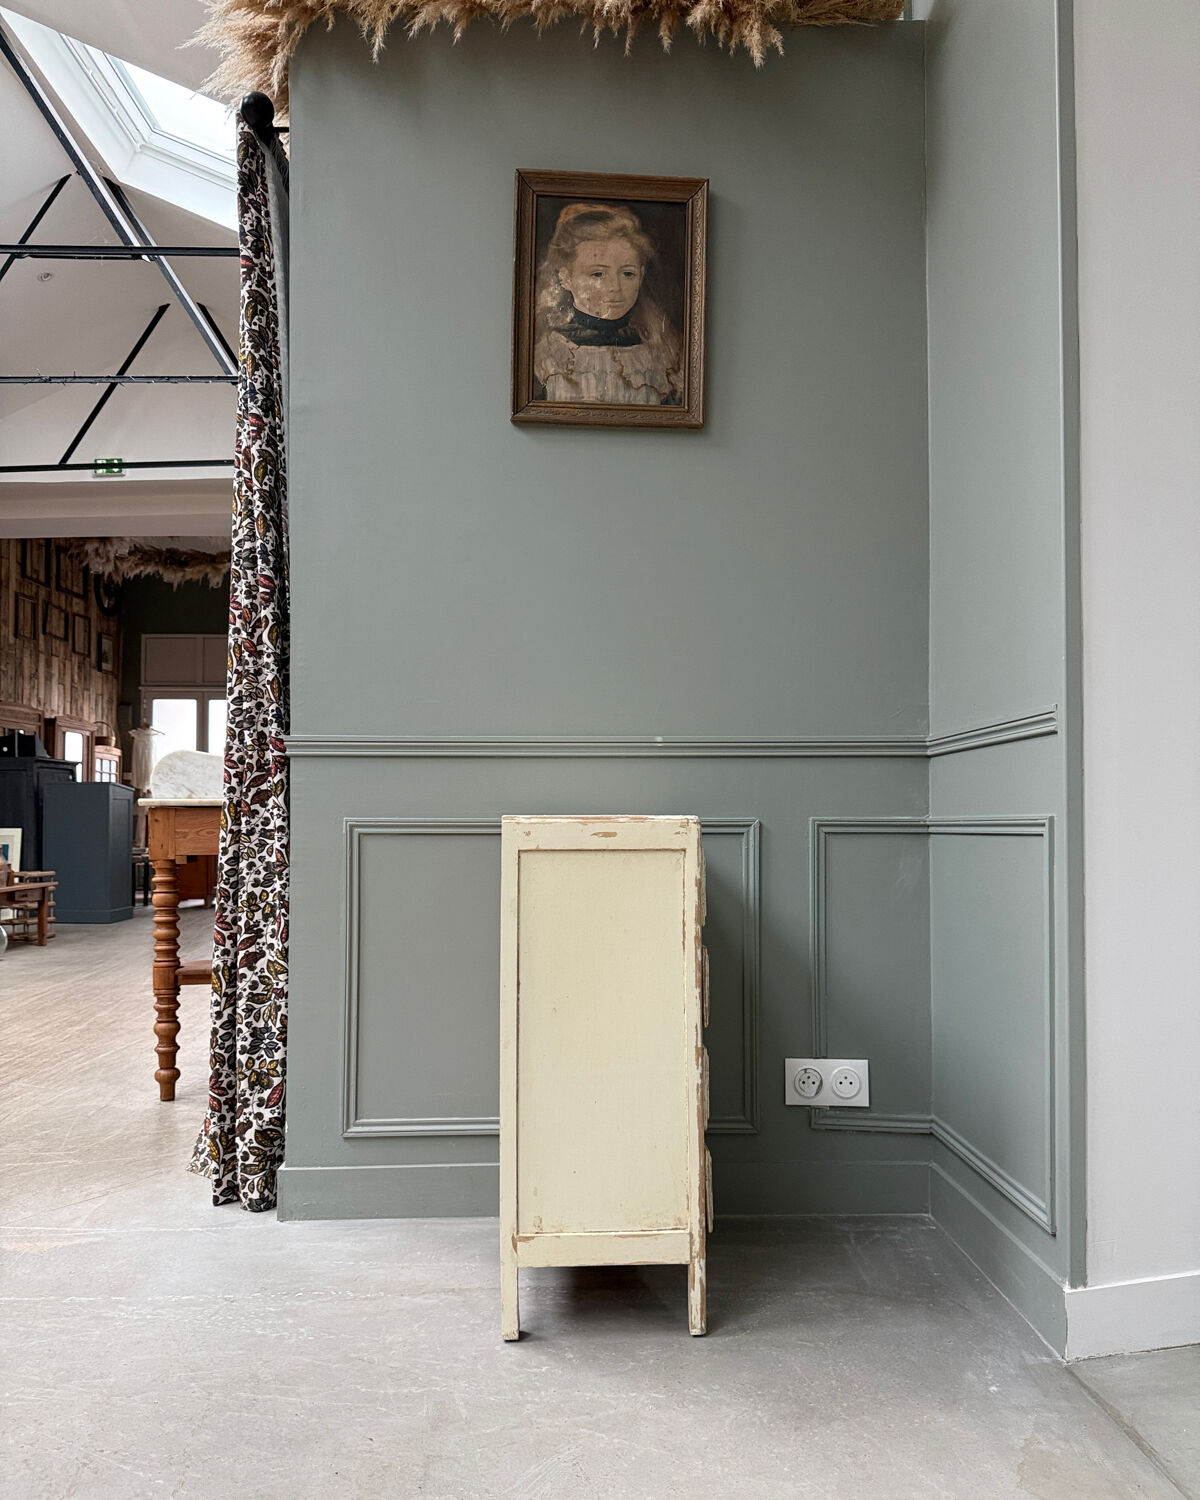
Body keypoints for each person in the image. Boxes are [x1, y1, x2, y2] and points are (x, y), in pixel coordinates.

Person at [533, 203, 683, 406]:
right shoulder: (547, 357)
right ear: (565, 278)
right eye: (598, 274)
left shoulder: (662, 357)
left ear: (641, 275)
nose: (615, 287)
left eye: (627, 274)